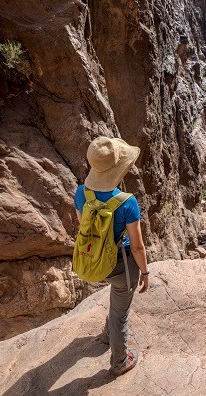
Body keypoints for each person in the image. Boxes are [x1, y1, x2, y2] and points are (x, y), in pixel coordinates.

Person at [73, 136, 149, 377]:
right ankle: (119, 362)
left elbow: (85, 230)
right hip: (120, 266)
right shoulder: (127, 203)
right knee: (120, 314)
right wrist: (145, 272)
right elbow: (137, 247)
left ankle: (107, 335)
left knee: (116, 306)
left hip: (94, 262)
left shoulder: (80, 193)